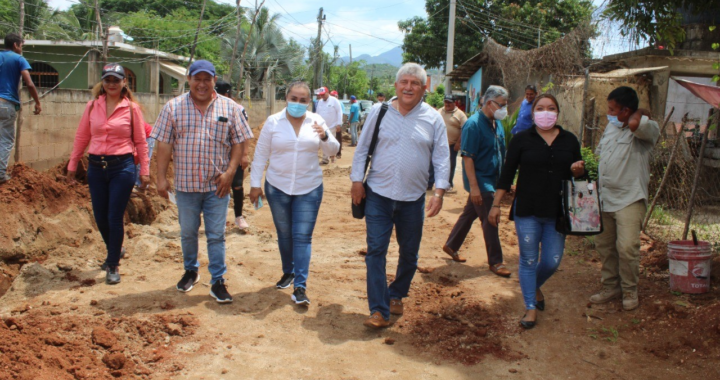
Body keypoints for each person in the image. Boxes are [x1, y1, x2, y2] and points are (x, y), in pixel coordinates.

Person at [351, 63, 450, 328]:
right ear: (396, 85)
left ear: (424, 88)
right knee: (375, 252)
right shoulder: (378, 112)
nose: (408, 87)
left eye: (415, 83)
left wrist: (439, 192)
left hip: (413, 199)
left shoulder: (433, 118)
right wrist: (356, 181)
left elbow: (442, 157)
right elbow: (361, 150)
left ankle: (397, 293)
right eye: (404, 82)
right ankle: (379, 310)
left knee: (409, 253)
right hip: (378, 195)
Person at [152, 60, 253, 303]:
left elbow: (240, 142)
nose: (202, 84)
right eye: (197, 78)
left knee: (216, 235)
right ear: (189, 80)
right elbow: (164, 144)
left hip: (216, 187)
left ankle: (217, 280)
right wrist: (161, 177)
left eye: (207, 79)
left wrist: (230, 172)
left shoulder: (230, 108)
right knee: (188, 233)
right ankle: (191, 271)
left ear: (214, 80)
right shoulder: (172, 108)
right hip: (185, 187)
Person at [489, 94, 585, 329]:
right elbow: (507, 173)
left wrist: (577, 171)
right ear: (532, 114)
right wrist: (495, 205)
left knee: (552, 261)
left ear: (558, 113)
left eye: (551, 108)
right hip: (527, 210)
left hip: (558, 211)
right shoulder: (521, 139)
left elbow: (579, 176)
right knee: (528, 260)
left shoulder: (570, 140)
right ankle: (530, 307)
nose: (546, 112)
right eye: (540, 108)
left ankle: (534, 286)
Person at [249, 81, 339, 306]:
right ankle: (288, 271)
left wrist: (325, 137)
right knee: (284, 233)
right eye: (294, 99)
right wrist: (254, 184)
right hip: (277, 186)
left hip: (309, 188)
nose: (298, 103)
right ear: (286, 98)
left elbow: (333, 150)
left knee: (302, 237)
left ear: (309, 102)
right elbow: (260, 155)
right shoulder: (273, 122)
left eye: (303, 100)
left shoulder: (317, 121)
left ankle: (300, 286)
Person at [67, 63, 149, 284]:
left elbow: (141, 142)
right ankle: (116, 248)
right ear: (102, 83)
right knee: (100, 216)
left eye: (116, 80)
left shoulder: (132, 109)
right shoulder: (93, 106)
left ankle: (112, 264)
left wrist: (145, 171)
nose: (112, 84)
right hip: (95, 167)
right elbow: (82, 136)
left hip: (122, 167)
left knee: (114, 217)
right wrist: (73, 164)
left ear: (124, 83)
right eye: (108, 80)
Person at [590, 86, 659, 311]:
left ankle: (630, 289)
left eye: (612, 109)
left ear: (626, 110)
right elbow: (600, 155)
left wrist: (639, 113)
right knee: (605, 246)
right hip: (605, 197)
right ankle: (611, 286)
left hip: (630, 198)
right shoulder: (611, 127)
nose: (608, 113)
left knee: (627, 246)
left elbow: (635, 124)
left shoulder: (646, 128)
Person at [441, 85, 511, 278]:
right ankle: (496, 261)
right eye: (502, 105)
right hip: (480, 180)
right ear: (489, 103)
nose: (505, 109)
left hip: (492, 178)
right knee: (490, 218)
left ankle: (451, 244)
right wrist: (474, 187)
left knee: (470, 212)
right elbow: (468, 158)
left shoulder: (496, 124)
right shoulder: (473, 124)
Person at [0, 33, 42, 184]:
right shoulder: (19, 59)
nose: (21, 49)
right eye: (21, 46)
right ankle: (0, 174)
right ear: (16, 45)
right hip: (6, 104)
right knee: (5, 140)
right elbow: (29, 84)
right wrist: (37, 102)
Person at [215, 79, 251, 230]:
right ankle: (220, 219)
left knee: (236, 185)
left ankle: (239, 216)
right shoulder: (212, 108)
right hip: (217, 155)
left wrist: (244, 154)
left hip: (235, 155)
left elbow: (245, 134)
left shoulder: (238, 109)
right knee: (219, 187)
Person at [438, 95, 467, 192]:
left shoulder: (460, 114)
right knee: (433, 164)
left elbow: (465, 129)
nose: (447, 104)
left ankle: (448, 184)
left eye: (449, 102)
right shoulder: (439, 112)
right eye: (446, 102)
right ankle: (430, 183)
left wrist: (459, 143)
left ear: (455, 103)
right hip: (438, 144)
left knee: (450, 164)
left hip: (452, 145)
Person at [315, 86, 343, 164]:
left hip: (332, 125)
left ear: (327, 93)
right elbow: (317, 113)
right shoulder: (320, 102)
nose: (322, 96)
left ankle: (332, 157)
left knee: (331, 142)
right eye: (321, 94)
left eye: (323, 94)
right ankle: (325, 159)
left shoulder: (334, 101)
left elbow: (339, 112)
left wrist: (338, 124)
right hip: (322, 126)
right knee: (323, 142)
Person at [134, 120, 155, 191]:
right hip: (141, 135)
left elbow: (139, 155)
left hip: (147, 137)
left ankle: (140, 186)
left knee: (142, 163)